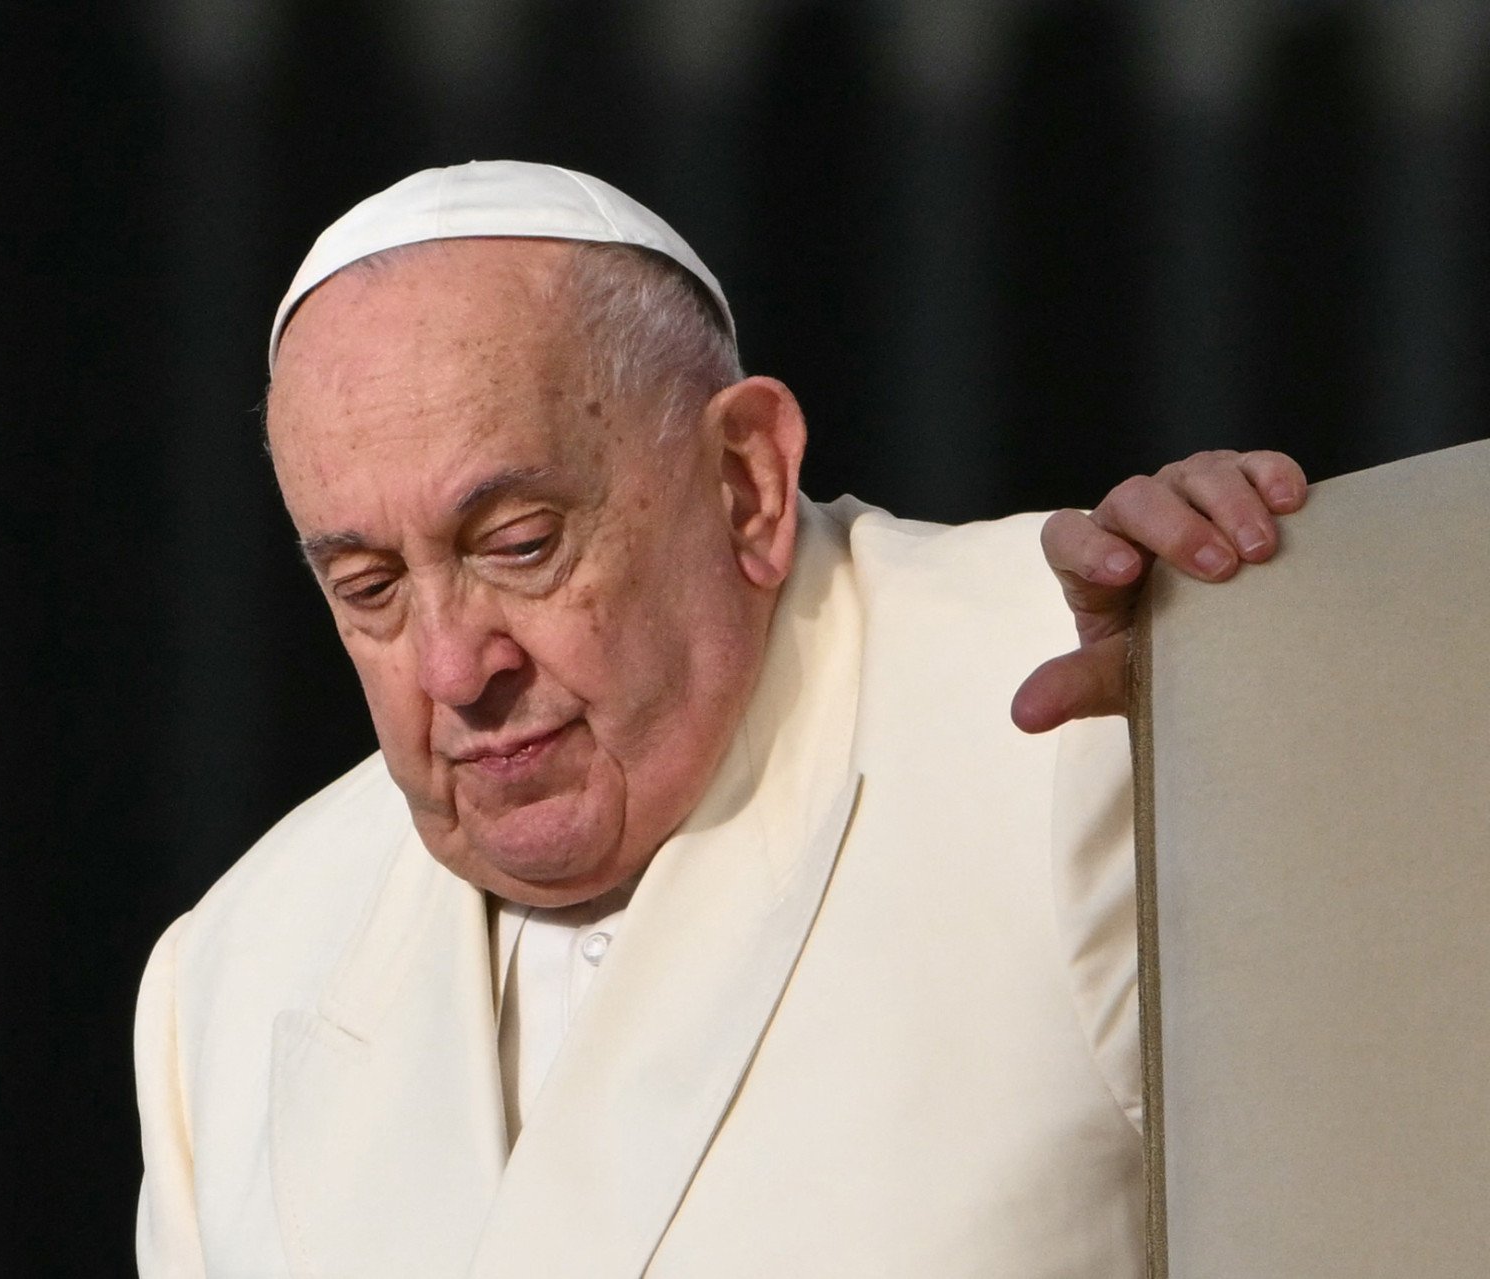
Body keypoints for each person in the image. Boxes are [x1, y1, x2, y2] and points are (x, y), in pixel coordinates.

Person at [132, 161, 1305, 1278]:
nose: (451, 667)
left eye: (520, 546)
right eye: (371, 589)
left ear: (745, 480)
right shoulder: (237, 979)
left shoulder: (1080, 705)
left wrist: (1304, 657)